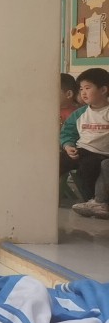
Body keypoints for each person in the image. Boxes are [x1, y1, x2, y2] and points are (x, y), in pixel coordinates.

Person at [60, 67, 109, 220]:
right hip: (81, 149)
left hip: (101, 154)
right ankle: (44, 194)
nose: (83, 93)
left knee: (88, 167)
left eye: (88, 88)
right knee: (56, 162)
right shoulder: (80, 113)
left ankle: (94, 202)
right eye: (81, 89)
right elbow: (68, 132)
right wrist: (68, 146)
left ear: (103, 90)